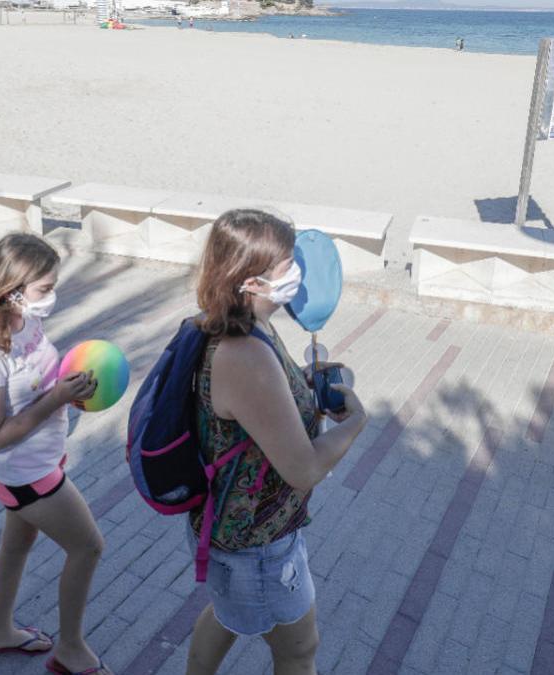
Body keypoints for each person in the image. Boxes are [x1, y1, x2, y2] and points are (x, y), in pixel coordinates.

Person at [183, 210, 368, 675]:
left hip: (229, 529)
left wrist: (304, 391)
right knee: (300, 649)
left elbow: (254, 413)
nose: (298, 272)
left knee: (227, 616)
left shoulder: (239, 324)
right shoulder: (245, 353)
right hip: (257, 543)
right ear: (252, 281)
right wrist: (356, 423)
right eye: (288, 264)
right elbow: (304, 469)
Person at [0, 233, 113, 675]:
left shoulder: (25, 321)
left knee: (16, 546)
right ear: (11, 291)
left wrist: (72, 387)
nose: (52, 297)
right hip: (24, 473)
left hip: (39, 461)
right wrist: (57, 398)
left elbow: (36, 386)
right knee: (88, 547)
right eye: (44, 289)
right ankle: (70, 649)